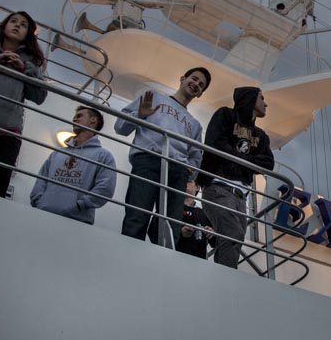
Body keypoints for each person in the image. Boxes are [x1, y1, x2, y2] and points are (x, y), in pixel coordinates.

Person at [115, 67, 210, 245]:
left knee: (170, 225)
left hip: (178, 171)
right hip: (148, 159)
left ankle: (163, 263)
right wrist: (139, 115)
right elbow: (120, 127)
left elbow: (196, 155)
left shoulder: (195, 125)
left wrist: (189, 171)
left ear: (200, 94)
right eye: (194, 78)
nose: (196, 84)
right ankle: (127, 259)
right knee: (137, 215)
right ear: (182, 78)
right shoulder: (154, 98)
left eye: (201, 85)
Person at [197, 87, 274, 268]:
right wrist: (249, 161)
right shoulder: (225, 115)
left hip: (241, 197)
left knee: (233, 239)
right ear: (249, 99)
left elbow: (268, 163)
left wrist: (236, 157)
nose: (265, 103)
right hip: (218, 187)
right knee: (233, 234)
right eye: (261, 98)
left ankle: (220, 275)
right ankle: (227, 279)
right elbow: (215, 144)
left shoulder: (261, 135)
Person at [0, 11, 48, 197]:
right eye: (13, 21)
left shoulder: (33, 61)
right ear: (4, 25)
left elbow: (39, 96)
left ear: (28, 33)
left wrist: (24, 69)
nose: (17, 25)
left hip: (9, 132)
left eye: (23, 25)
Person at [30, 106, 116, 224]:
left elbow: (105, 188)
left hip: (77, 222)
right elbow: (41, 180)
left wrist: (81, 205)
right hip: (43, 214)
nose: (74, 119)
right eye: (74, 117)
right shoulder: (57, 154)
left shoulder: (103, 156)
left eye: (79, 116)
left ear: (93, 120)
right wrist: (39, 202)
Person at [173, 179, 213, 258]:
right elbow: (154, 229)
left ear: (197, 187)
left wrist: (211, 233)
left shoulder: (204, 213)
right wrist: (180, 232)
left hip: (198, 260)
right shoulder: (170, 207)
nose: (184, 182)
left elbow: (215, 243)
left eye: (189, 181)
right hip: (174, 256)